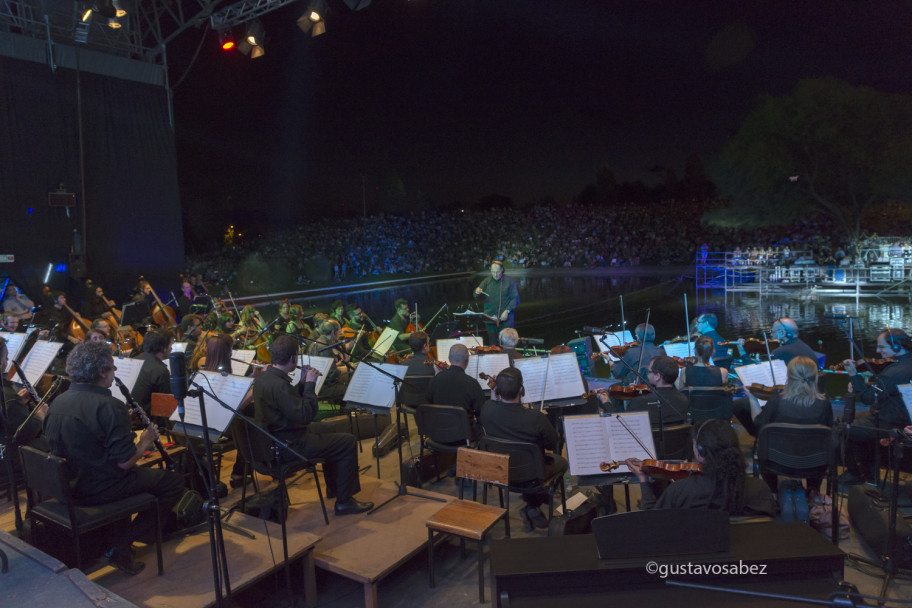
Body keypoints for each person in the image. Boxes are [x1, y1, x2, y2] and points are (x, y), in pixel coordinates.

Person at [43, 341, 185, 574]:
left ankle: (120, 539)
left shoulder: (58, 401)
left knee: (147, 477)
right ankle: (121, 544)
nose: (115, 371)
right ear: (101, 371)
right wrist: (145, 441)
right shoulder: (109, 405)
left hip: (68, 486)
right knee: (173, 483)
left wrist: (119, 424)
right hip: (100, 488)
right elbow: (125, 462)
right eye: (111, 366)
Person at [253, 335, 372, 515]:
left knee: (330, 429)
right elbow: (305, 415)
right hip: (289, 446)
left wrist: (301, 383)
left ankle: (335, 488)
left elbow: (288, 404)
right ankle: (344, 502)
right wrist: (309, 385)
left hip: (276, 439)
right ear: (293, 359)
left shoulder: (264, 378)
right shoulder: (279, 385)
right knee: (347, 442)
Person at [625, 419, 776, 516]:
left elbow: (652, 521)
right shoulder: (760, 489)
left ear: (700, 452)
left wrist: (643, 481)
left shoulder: (680, 491)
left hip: (692, 562)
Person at [479, 367, 567, 530]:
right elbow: (552, 443)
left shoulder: (486, 410)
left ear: (497, 390)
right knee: (561, 462)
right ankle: (534, 504)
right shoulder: (536, 418)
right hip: (531, 477)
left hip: (499, 472)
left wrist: (495, 391)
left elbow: (492, 403)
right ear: (521, 389)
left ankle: (533, 505)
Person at [748, 356, 833, 499]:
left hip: (776, 463)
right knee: (816, 446)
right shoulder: (824, 405)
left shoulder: (776, 401)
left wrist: (752, 398)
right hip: (814, 466)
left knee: (763, 444)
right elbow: (829, 433)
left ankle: (773, 492)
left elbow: (759, 424)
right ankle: (813, 490)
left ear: (789, 376)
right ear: (815, 376)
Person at [840, 328, 912, 485]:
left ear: (898, 346)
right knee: (852, 420)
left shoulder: (894, 372)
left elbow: (867, 398)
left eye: (882, 347)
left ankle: (855, 473)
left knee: (841, 426)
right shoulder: (906, 362)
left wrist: (853, 374)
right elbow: (886, 389)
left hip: (891, 422)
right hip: (903, 417)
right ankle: (870, 473)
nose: (878, 351)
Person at [733, 318, 818, 436]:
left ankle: (762, 434)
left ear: (782, 333)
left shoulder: (782, 351)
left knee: (738, 405)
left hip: (790, 399)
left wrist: (743, 354)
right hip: (809, 396)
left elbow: (756, 372)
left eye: (773, 332)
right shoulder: (804, 347)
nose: (771, 336)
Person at [0, 336, 48, 452]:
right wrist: (40, 415)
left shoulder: (9, 399)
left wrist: (16, 403)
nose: (7, 362)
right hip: (9, 458)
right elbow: (25, 433)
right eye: (6, 358)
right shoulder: (8, 396)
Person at [425, 343, 485, 433]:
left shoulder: (435, 379)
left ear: (449, 358)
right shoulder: (472, 384)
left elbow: (428, 406)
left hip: (437, 433)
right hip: (463, 436)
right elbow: (481, 413)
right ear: (467, 360)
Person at [624, 355, 690, 430]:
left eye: (648, 372)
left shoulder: (639, 402)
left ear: (657, 376)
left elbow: (624, 425)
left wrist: (607, 403)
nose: (647, 374)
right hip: (677, 441)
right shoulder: (684, 399)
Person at [473, 260, 519, 347]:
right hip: (490, 319)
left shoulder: (510, 281)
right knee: (493, 345)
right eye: (493, 272)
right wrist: (477, 292)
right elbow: (476, 296)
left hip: (506, 320)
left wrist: (507, 311)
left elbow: (515, 299)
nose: (495, 274)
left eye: (497, 272)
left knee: (507, 345)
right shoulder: (486, 281)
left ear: (502, 270)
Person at [131, 329, 172, 421]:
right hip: (145, 422)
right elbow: (164, 409)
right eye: (170, 345)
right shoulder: (161, 371)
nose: (171, 348)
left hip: (128, 416)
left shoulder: (134, 360)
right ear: (164, 348)